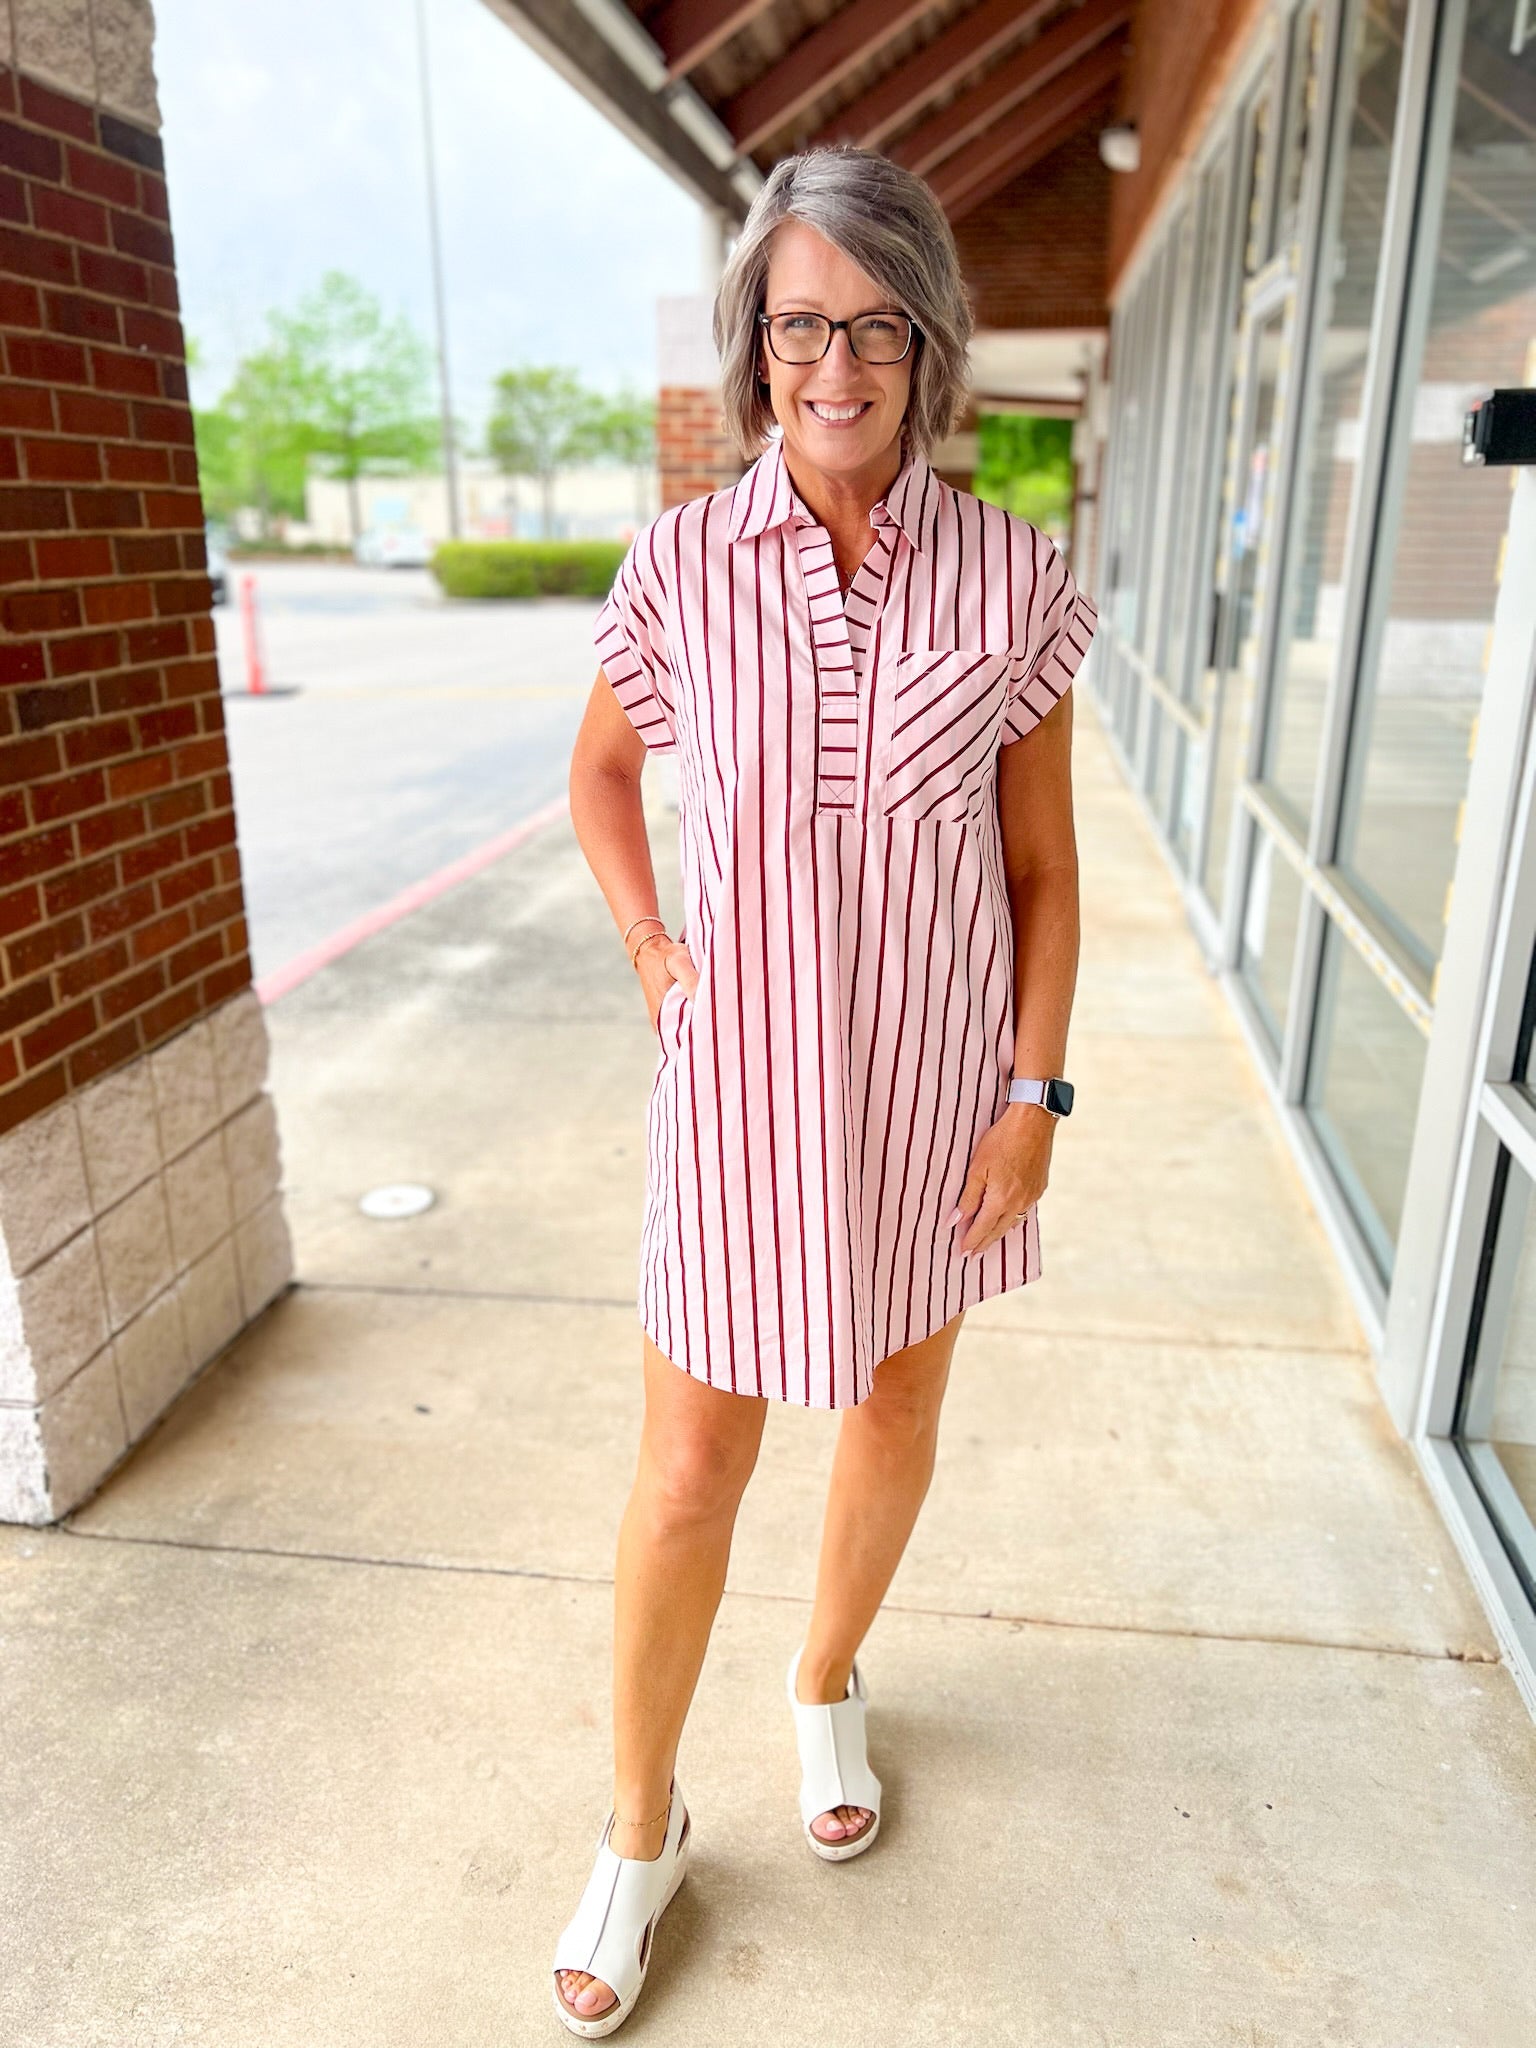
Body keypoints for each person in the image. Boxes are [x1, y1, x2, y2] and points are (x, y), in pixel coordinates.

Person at [553, 142, 1096, 2036]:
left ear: (929, 339)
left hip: (938, 1102)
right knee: (691, 1465)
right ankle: (639, 1830)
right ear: (756, 344)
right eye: (802, 325)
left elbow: (1042, 867)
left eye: (877, 322)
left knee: (887, 1403)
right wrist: (648, 944)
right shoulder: (686, 565)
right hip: (737, 1100)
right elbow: (602, 776)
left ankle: (828, 1675)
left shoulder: (1015, 576)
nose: (839, 364)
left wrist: (1035, 1094)